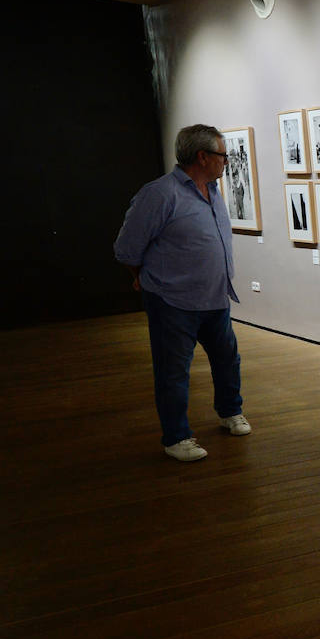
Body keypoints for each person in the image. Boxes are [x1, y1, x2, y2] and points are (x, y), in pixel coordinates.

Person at [113, 124, 250, 463]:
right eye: (222, 155)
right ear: (202, 157)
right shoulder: (160, 194)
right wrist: (143, 278)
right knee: (173, 372)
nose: (226, 162)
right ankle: (177, 437)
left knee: (227, 360)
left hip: (216, 298)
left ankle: (230, 411)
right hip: (173, 302)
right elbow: (127, 248)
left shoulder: (214, 191)